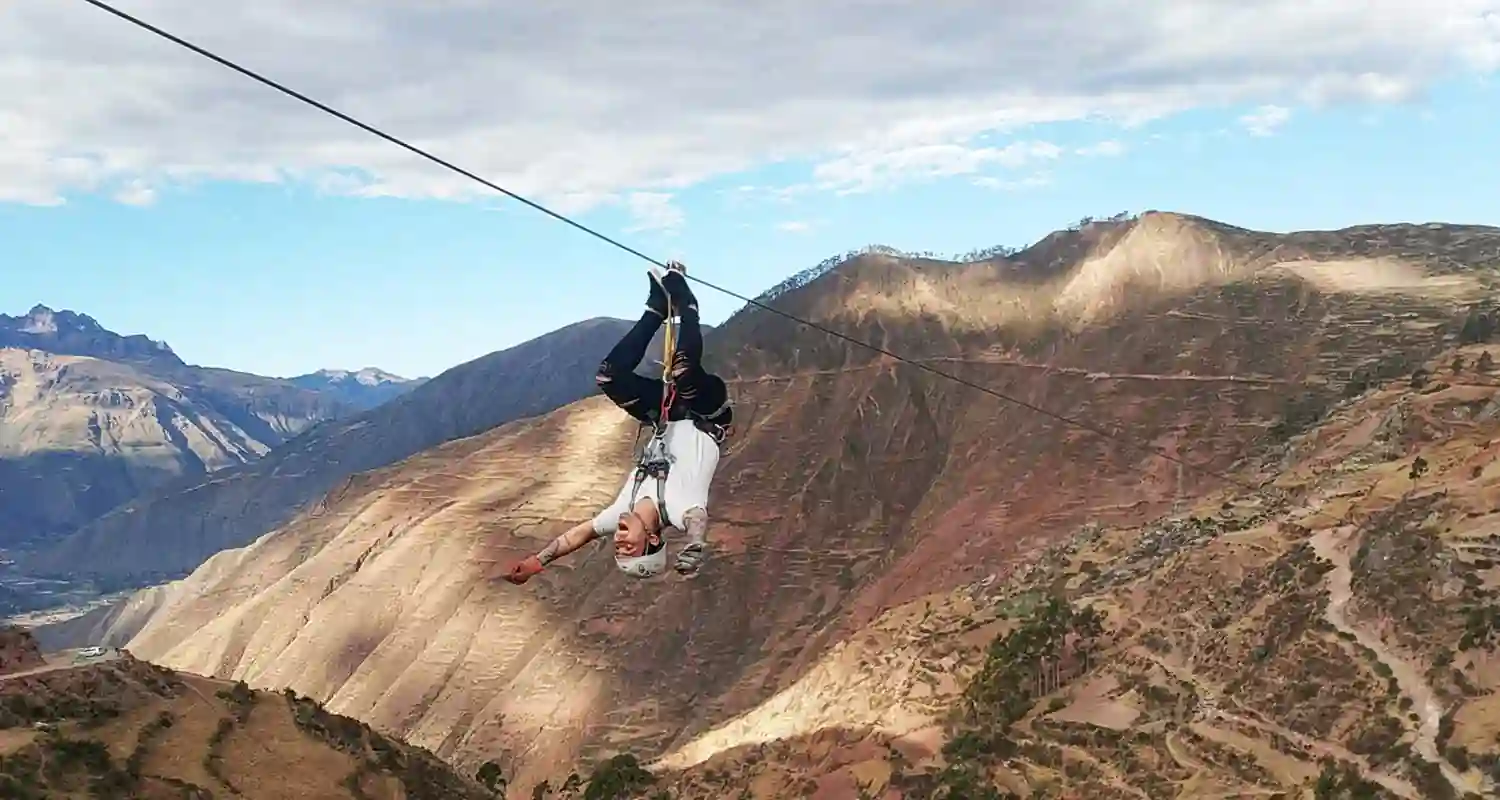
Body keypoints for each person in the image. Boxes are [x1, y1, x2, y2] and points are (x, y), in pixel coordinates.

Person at [502, 261, 733, 585]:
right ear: (652, 540)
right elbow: (697, 521)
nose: (619, 543)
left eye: (618, 550)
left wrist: (536, 562)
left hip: (664, 413)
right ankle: (687, 304)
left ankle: (656, 310)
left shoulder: (618, 512)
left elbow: (577, 536)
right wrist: (695, 545)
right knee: (683, 373)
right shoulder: (681, 508)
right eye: (630, 548)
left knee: (609, 377)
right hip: (707, 413)